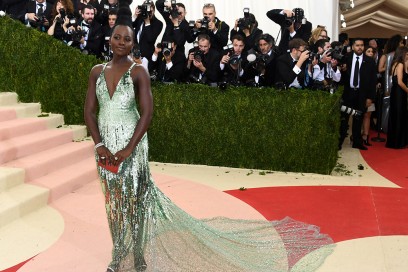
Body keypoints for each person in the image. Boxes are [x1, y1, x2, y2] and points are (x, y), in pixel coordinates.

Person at [85, 1, 334, 271]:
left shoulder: (139, 71)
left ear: (134, 42)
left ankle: (136, 255)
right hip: (104, 146)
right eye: (117, 37)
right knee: (113, 202)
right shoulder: (96, 71)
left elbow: (146, 114)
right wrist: (98, 143)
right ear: (110, 39)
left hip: (132, 145)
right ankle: (118, 252)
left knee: (135, 201)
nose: (121, 42)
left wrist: (129, 148)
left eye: (127, 38)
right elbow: (89, 111)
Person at [339, 38, 377, 150]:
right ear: (353, 46)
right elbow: (339, 76)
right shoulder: (346, 58)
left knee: (358, 118)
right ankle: (339, 142)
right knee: (344, 118)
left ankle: (357, 142)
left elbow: (372, 80)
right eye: (357, 45)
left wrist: (370, 97)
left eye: (361, 45)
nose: (360, 47)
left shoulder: (369, 61)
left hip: (362, 94)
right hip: (347, 93)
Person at [386, 46, 408, 149]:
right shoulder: (399, 64)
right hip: (399, 92)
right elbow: (400, 81)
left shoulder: (396, 63)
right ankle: (398, 142)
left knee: (397, 115)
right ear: (402, 54)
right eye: (406, 54)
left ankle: (396, 141)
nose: (407, 55)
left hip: (397, 92)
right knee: (399, 116)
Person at [362, 46, 378, 145]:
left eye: (372, 51)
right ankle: (357, 136)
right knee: (360, 115)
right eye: (368, 51)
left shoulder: (373, 64)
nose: (371, 53)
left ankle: (365, 136)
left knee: (368, 115)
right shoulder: (361, 63)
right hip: (360, 93)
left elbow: (373, 81)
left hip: (370, 93)